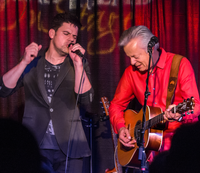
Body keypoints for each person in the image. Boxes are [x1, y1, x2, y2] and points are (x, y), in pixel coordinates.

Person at [0, 12, 94, 173]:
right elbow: (4, 89)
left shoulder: (79, 64)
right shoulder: (33, 63)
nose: (71, 39)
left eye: (74, 36)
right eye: (66, 33)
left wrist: (78, 64)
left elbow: (86, 97)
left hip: (69, 145)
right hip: (36, 143)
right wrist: (24, 62)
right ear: (52, 33)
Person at [109, 25, 200, 171]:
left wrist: (180, 115)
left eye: (135, 57)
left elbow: (195, 105)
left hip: (178, 148)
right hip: (146, 151)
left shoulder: (179, 64)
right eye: (129, 57)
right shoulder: (131, 73)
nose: (132, 62)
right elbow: (116, 105)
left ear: (151, 50)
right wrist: (120, 128)